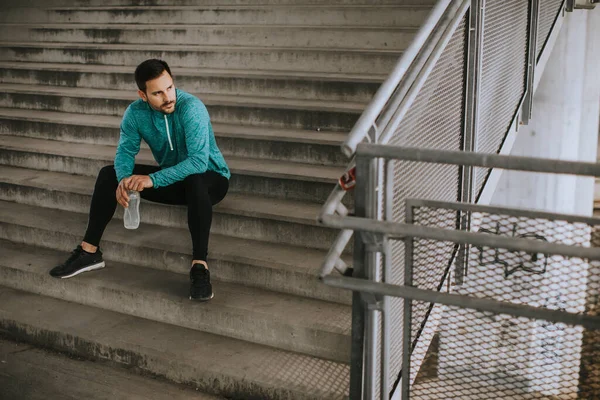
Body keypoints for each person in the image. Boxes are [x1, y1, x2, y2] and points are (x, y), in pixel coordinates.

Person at [49, 59, 230, 302]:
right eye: (157, 92)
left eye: (169, 88)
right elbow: (125, 152)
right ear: (142, 95)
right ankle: (89, 252)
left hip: (211, 179)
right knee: (108, 174)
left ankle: (200, 266)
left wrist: (151, 179)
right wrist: (124, 180)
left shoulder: (191, 108)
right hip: (174, 179)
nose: (167, 97)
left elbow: (198, 161)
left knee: (196, 179)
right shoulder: (135, 114)